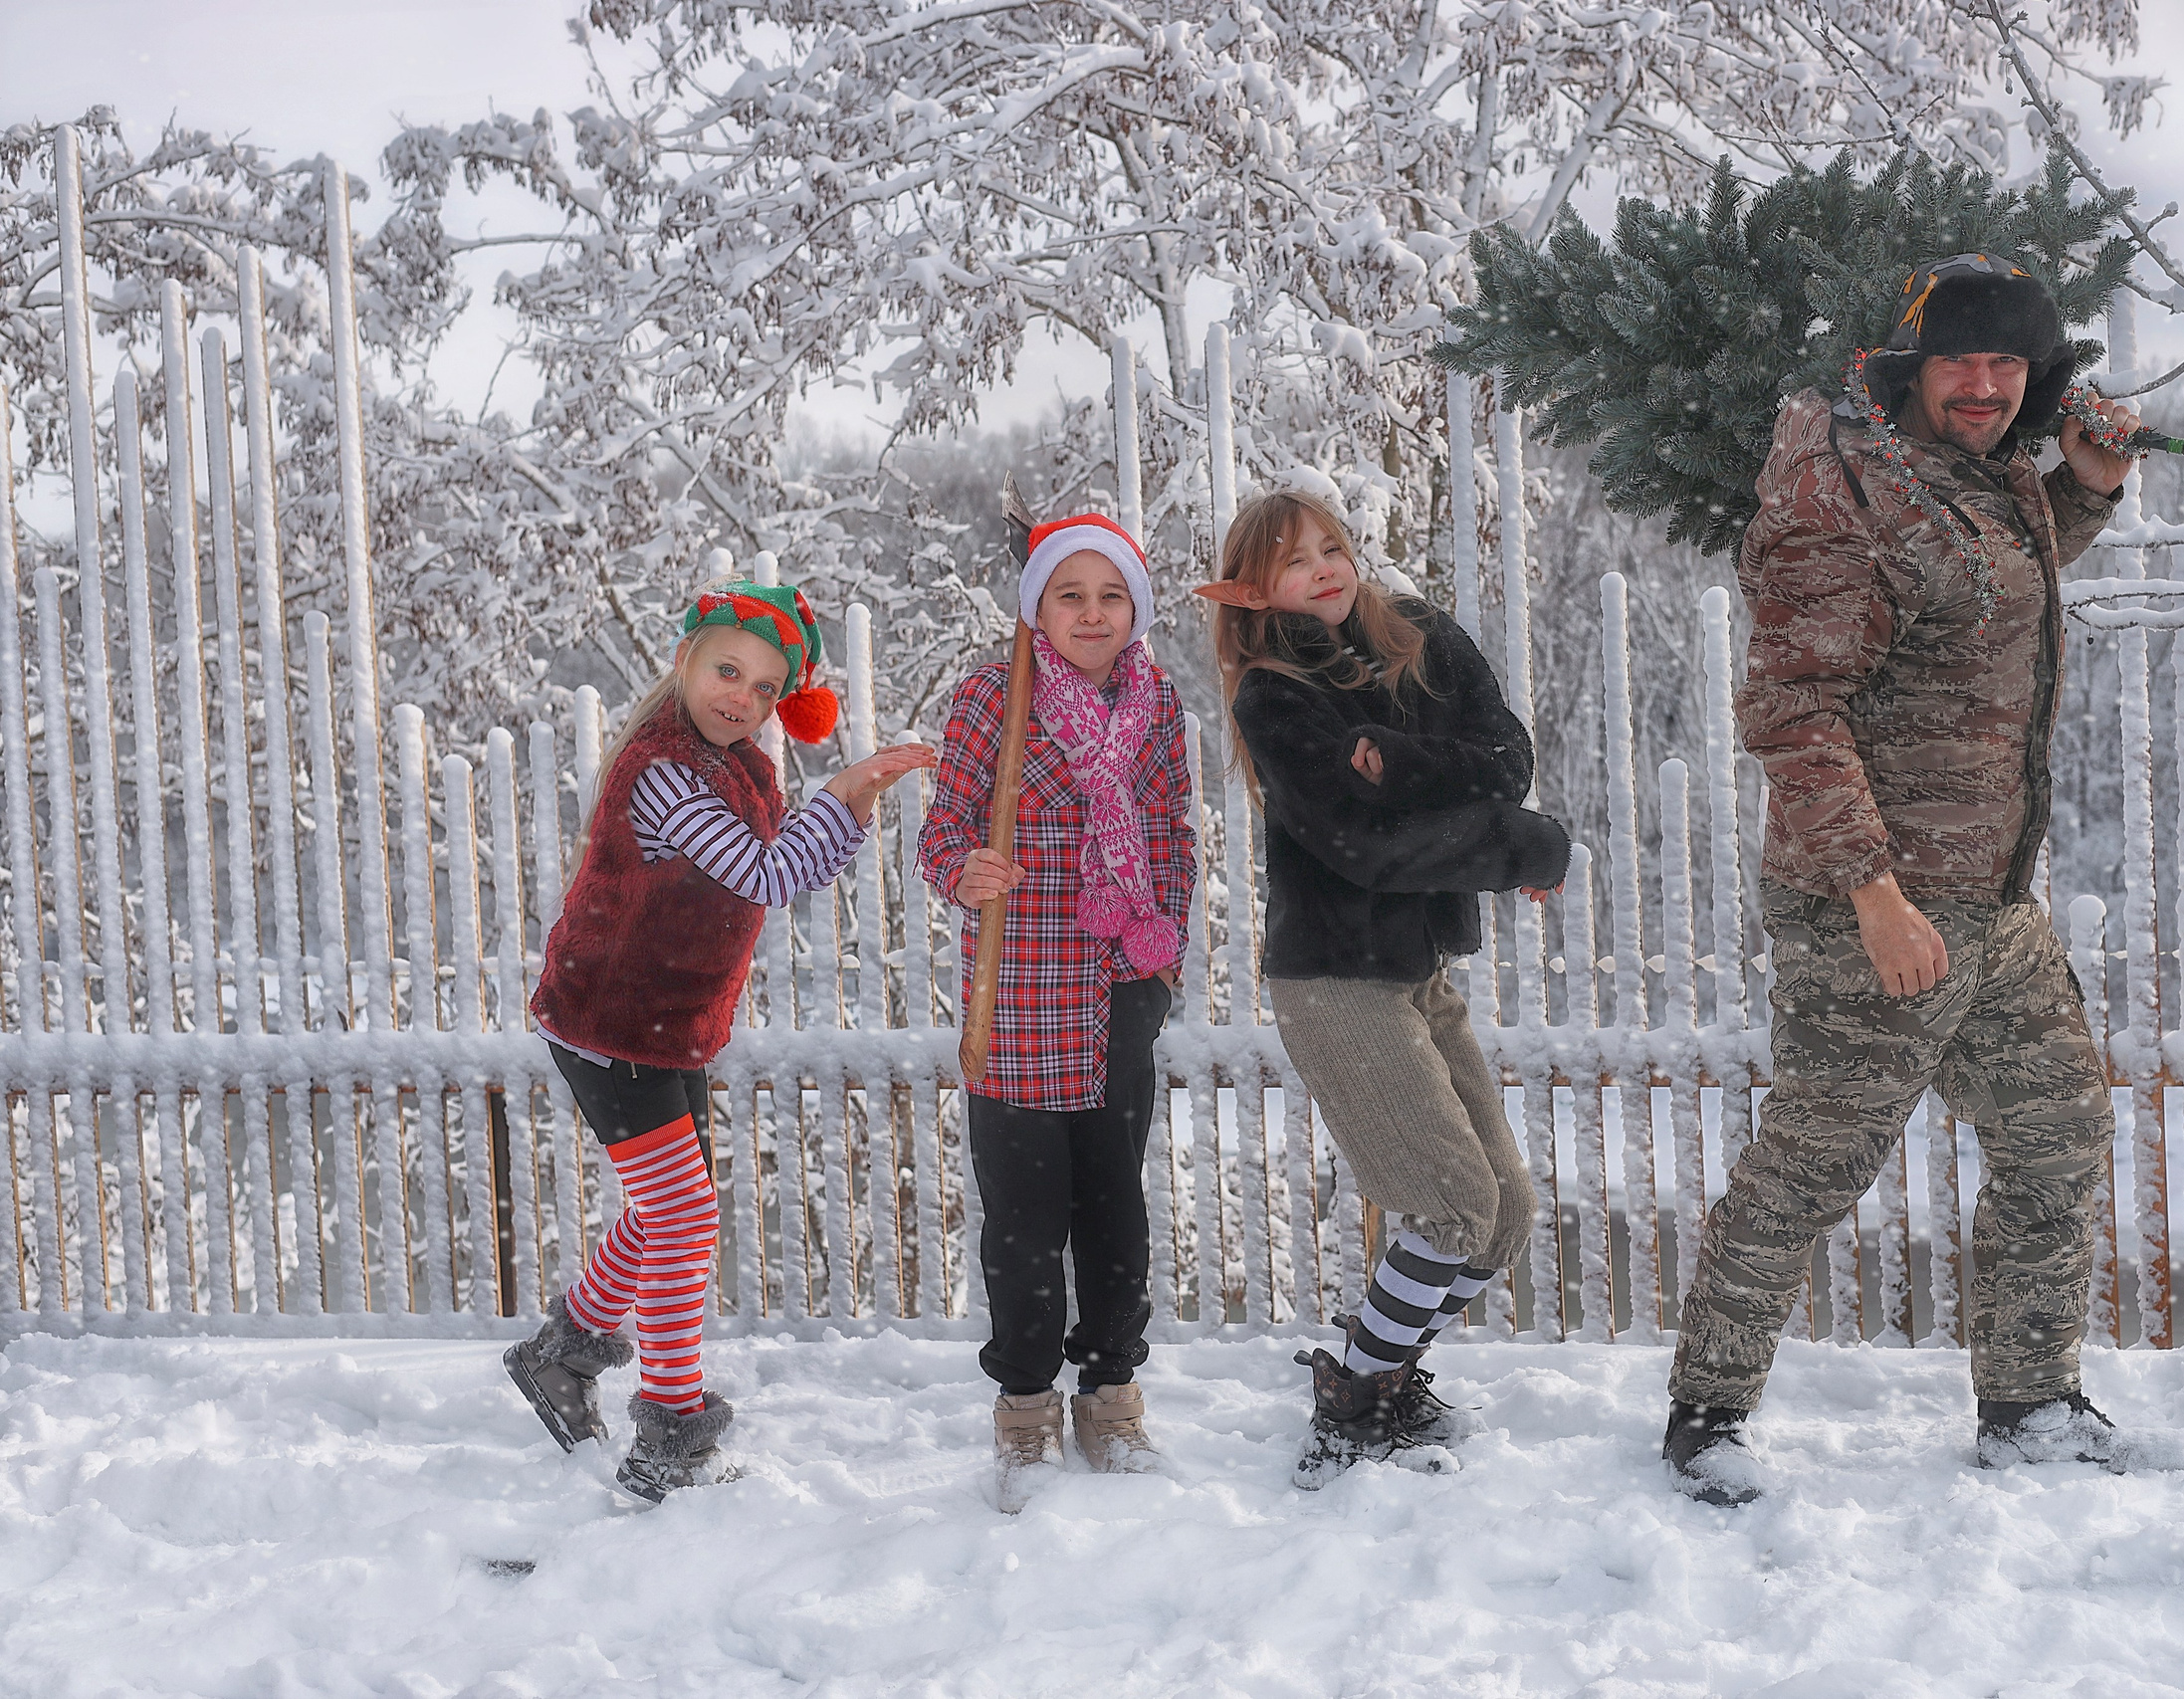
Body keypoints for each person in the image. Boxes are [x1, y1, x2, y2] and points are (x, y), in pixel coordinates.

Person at [1662, 253, 2143, 1505]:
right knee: (1815, 1164)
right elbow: (1792, 708)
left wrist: (2080, 495)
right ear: (1912, 369)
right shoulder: (1846, 488)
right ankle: (1705, 1411)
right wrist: (1873, 897)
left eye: (2006, 365)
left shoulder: (1970, 478)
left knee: (2057, 1140)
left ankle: (2029, 1402)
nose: (1984, 385)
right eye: (1959, 363)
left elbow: (1974, 605)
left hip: (1988, 896)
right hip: (1868, 902)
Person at [505, 578, 933, 1503]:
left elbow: (789, 869)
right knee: (686, 1215)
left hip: (668, 1028)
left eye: (766, 687)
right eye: (727, 669)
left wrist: (845, 810)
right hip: (610, 1022)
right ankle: (670, 1437)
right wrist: (851, 787)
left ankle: (564, 1351)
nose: (741, 695)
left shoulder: (738, 763)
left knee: (669, 1207)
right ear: (686, 659)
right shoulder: (664, 770)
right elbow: (762, 870)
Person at [1201, 487, 1572, 1490]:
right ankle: (1359, 1401)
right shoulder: (1275, 695)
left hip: (1416, 970)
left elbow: (1506, 758)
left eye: (1334, 545)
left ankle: (1385, 1374)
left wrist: (1402, 759)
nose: (1324, 568)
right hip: (1335, 979)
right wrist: (1518, 843)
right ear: (1253, 587)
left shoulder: (1415, 643)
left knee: (1502, 1217)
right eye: (1293, 559)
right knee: (1452, 1207)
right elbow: (1367, 848)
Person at [917, 512, 1198, 1514]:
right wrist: (965, 867)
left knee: (1114, 1212)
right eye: (1068, 595)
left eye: (1109, 595)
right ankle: (1026, 1410)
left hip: (1119, 992)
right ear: (1036, 606)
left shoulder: (1156, 705)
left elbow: (1170, 835)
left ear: (1136, 608)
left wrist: (1161, 957)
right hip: (1022, 992)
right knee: (1025, 1225)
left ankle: (1112, 1396)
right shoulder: (997, 693)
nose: (1090, 613)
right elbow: (944, 826)